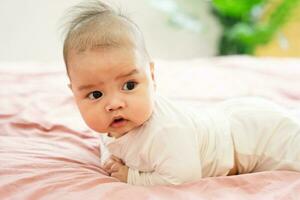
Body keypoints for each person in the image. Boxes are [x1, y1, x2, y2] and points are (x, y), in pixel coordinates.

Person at [62, 0, 300, 186]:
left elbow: (183, 178)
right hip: (228, 119)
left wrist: (131, 176)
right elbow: (108, 142)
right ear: (75, 94)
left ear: (152, 77)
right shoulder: (112, 124)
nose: (114, 104)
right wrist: (108, 160)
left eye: (129, 86)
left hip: (251, 140)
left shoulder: (165, 131)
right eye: (95, 95)